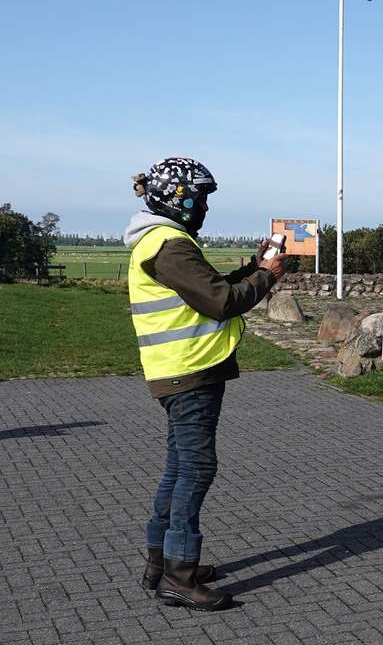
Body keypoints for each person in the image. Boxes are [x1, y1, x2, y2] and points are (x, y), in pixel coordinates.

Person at [122, 157, 288, 610]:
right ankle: (179, 574)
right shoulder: (170, 246)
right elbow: (221, 302)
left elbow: (208, 289)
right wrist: (267, 276)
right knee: (197, 468)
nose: (205, 207)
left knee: (179, 466)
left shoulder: (161, 241)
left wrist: (254, 268)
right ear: (177, 200)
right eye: (200, 199)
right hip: (190, 372)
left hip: (180, 371)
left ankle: (160, 562)